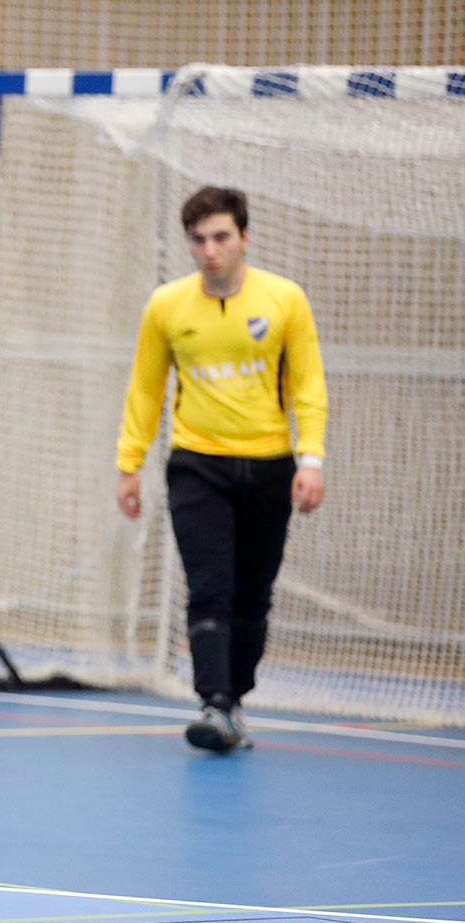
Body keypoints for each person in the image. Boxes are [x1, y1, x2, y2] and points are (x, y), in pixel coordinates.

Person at [115, 186, 327, 753]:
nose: (210, 250)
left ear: (244, 237)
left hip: (269, 466)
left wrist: (311, 460)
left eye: (221, 237)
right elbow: (145, 388)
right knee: (209, 587)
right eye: (199, 239)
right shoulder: (166, 306)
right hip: (196, 465)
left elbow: (307, 386)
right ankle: (215, 703)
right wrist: (128, 465)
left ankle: (234, 697)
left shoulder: (285, 300)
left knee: (253, 596)